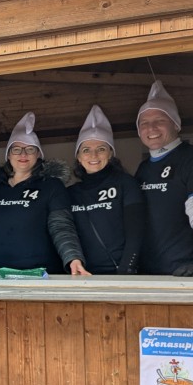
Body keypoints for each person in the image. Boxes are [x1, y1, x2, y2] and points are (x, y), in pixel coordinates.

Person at [134, 81, 193, 276]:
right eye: (144, 123)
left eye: (160, 120)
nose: (151, 128)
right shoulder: (143, 168)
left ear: (176, 124)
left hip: (189, 271)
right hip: (147, 272)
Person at [0, 111, 90, 275]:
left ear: (38, 154)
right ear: (8, 154)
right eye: (16, 149)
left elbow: (61, 226)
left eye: (30, 149)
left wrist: (73, 257)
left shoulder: (51, 186)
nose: (23, 154)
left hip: (39, 274)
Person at [69, 105, 145, 274]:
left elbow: (136, 232)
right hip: (82, 274)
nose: (93, 155)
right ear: (79, 157)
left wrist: (127, 269)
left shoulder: (126, 183)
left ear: (110, 154)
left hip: (120, 272)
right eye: (86, 150)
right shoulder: (70, 193)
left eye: (101, 149)